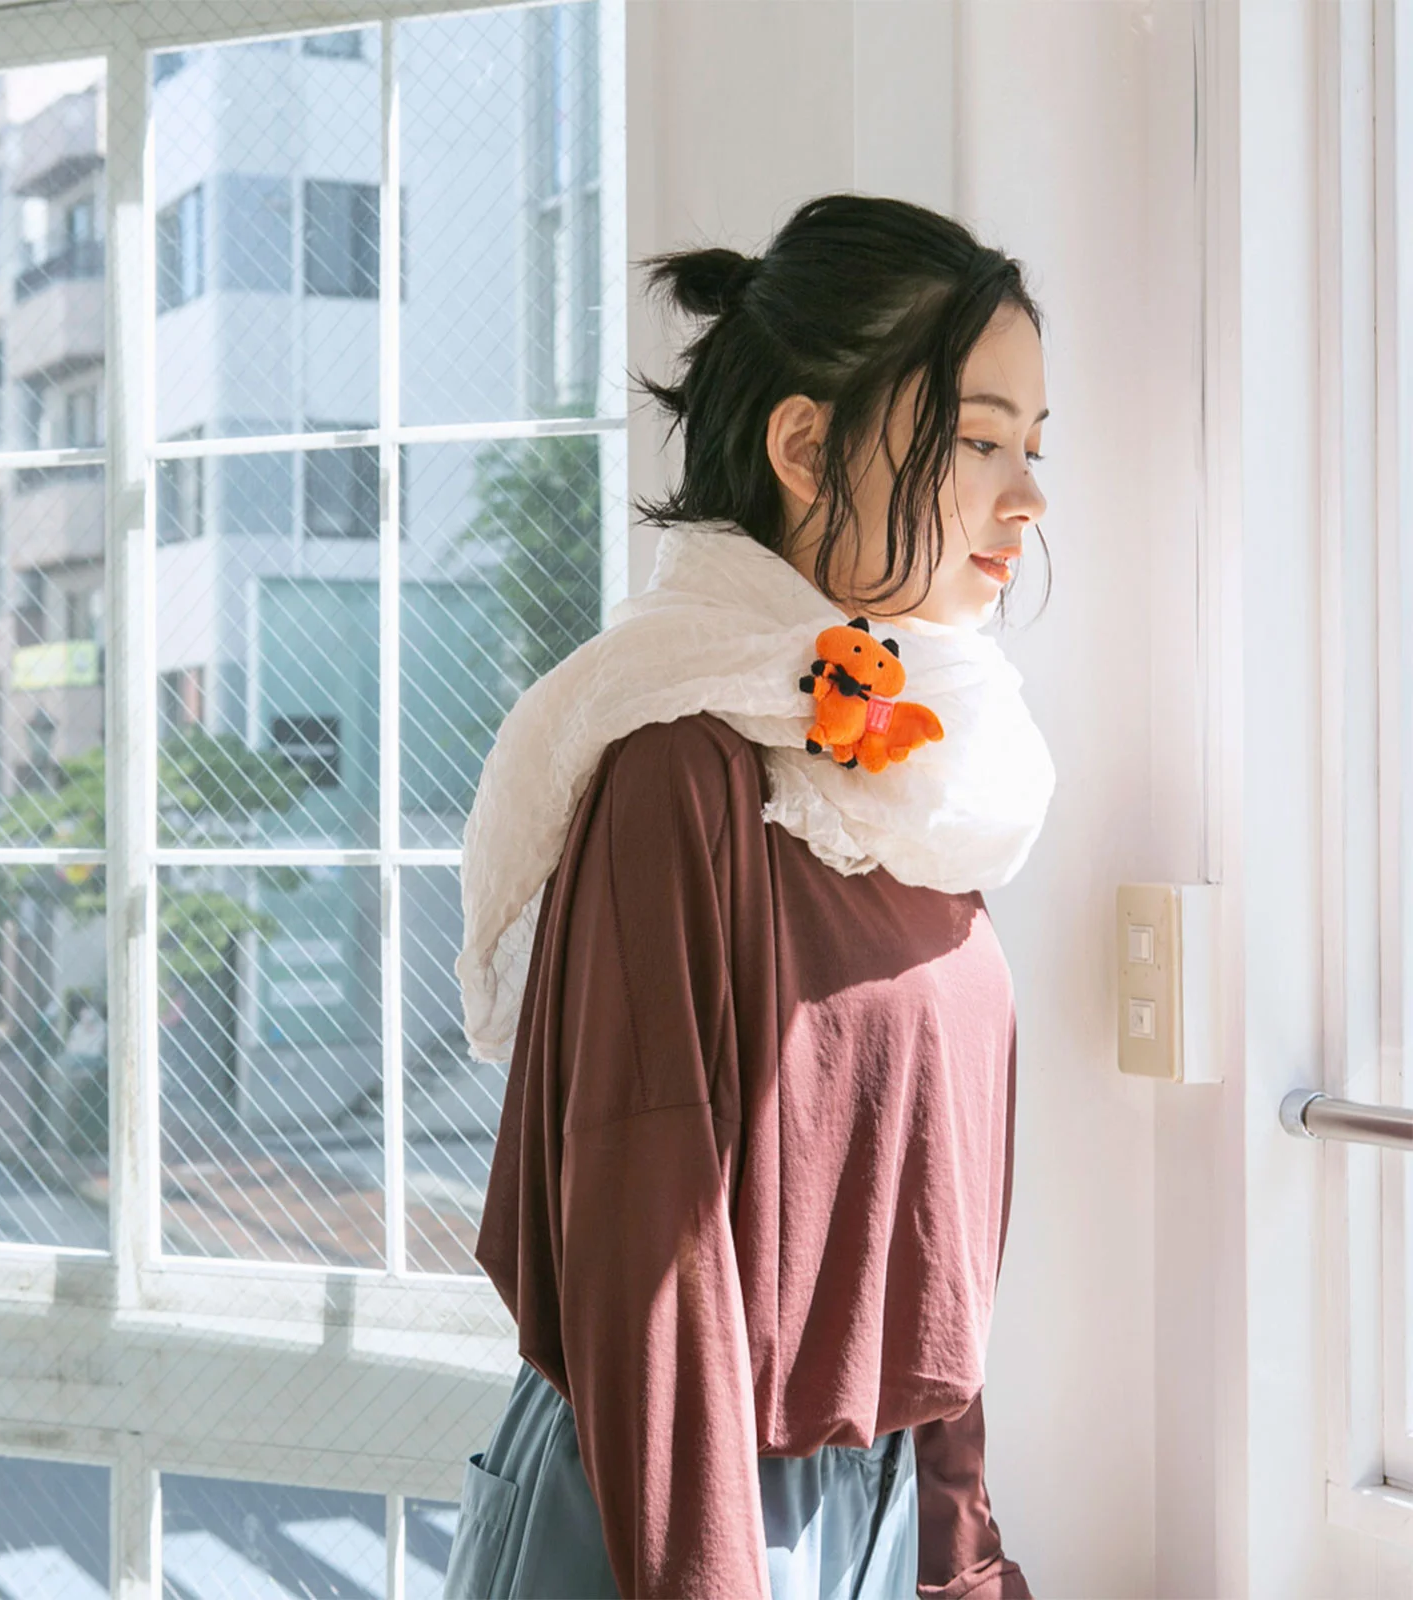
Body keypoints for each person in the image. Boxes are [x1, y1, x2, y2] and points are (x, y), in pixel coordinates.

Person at [445, 193, 1055, 1600]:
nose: (1027, 498)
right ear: (804, 447)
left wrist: (962, 1555)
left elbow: (928, 1253)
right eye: (978, 441)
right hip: (673, 1518)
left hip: (873, 1508)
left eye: (1034, 447)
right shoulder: (679, 767)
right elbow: (649, 1271)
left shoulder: (921, 781)